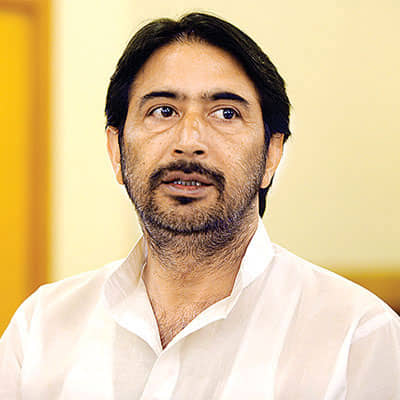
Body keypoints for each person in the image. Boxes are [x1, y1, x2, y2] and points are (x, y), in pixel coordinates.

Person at [1, 12, 399, 399]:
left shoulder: (357, 337)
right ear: (116, 150)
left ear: (272, 155)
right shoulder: (40, 330)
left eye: (226, 113)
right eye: (163, 111)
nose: (189, 141)